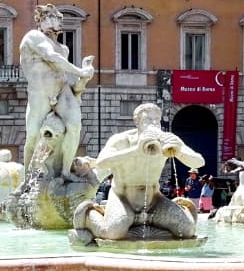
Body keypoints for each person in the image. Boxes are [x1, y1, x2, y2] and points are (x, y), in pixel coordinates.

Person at [72, 103, 205, 242]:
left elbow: (199, 162)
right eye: (148, 120)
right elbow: (101, 162)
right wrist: (135, 151)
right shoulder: (122, 140)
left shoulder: (167, 140)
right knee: (114, 233)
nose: (153, 124)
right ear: (137, 122)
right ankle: (89, 215)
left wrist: (179, 151)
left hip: (154, 201)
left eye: (157, 120)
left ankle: (165, 216)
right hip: (123, 199)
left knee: (187, 230)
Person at [19, 3, 95, 178]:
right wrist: (80, 71)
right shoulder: (33, 37)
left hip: (62, 91)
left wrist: (83, 79)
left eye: (58, 18)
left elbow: (64, 75)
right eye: (51, 17)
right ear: (41, 20)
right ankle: (27, 179)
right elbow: (51, 58)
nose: (56, 21)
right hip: (40, 93)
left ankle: (65, 171)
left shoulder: (63, 48)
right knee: (32, 136)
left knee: (75, 126)